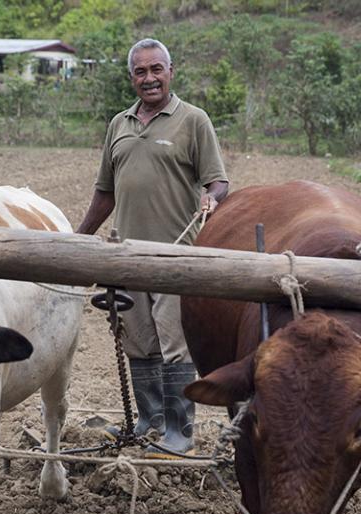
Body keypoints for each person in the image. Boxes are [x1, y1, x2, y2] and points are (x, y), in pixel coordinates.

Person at [76, 38, 230, 458]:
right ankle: (149, 421)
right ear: (132, 78)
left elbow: (217, 181)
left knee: (174, 343)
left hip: (175, 257)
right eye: (141, 72)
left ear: (170, 71)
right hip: (126, 257)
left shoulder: (193, 120)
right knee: (138, 342)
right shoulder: (118, 125)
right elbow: (105, 192)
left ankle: (179, 431)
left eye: (156, 69)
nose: (149, 78)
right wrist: (81, 237)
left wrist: (211, 198)